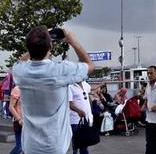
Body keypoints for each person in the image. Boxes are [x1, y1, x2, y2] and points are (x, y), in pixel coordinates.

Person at [12, 26, 95, 154]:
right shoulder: (61, 70)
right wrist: (72, 41)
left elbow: (20, 62)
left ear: (29, 48)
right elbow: (89, 66)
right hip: (56, 146)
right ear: (50, 47)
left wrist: (38, 43)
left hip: (30, 146)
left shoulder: (20, 72)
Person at [69, 80, 93, 154]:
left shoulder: (84, 84)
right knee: (79, 143)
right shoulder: (70, 86)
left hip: (86, 119)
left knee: (84, 143)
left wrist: (101, 84)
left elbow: (92, 89)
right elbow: (70, 104)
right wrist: (78, 111)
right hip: (75, 120)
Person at [8, 84, 23, 154]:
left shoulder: (31, 89)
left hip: (30, 122)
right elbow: (11, 107)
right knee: (20, 146)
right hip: (20, 122)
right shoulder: (17, 89)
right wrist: (19, 119)